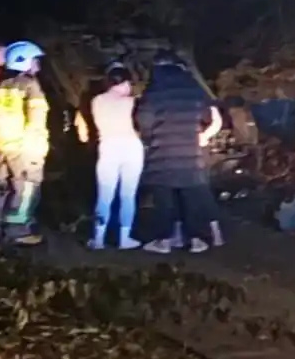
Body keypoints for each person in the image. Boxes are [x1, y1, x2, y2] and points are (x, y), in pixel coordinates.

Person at [136, 51, 223, 255]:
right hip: (191, 157)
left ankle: (164, 241)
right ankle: (196, 241)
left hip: (162, 156)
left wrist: (151, 137)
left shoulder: (154, 92)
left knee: (164, 201)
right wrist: (204, 137)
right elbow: (212, 118)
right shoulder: (194, 90)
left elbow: (144, 122)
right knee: (191, 198)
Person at [0, 40, 51, 246]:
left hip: (1, 145)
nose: (37, 65)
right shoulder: (30, 85)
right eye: (35, 61)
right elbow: (36, 117)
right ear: (23, 61)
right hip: (24, 146)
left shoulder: (1, 84)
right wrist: (38, 146)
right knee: (27, 187)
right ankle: (18, 230)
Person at [76, 62, 143, 251]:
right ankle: (125, 238)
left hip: (108, 147)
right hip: (131, 148)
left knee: (104, 196)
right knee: (128, 195)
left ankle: (98, 239)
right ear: (126, 83)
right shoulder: (132, 102)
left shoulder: (97, 101)